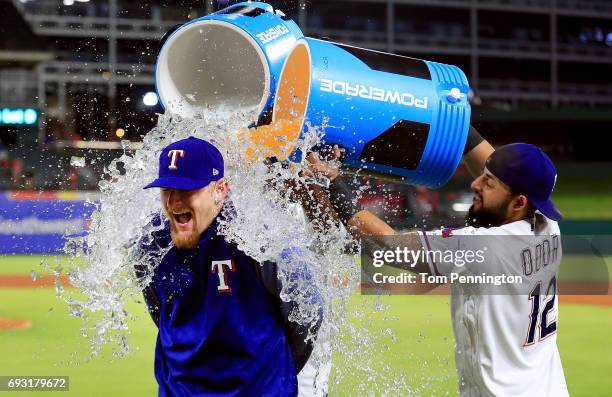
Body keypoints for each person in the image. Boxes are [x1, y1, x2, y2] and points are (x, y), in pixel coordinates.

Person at [308, 128, 569, 396]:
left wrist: (332, 179)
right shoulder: (546, 226)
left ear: (519, 202)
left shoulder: (483, 249)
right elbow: (497, 167)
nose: (475, 184)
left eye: (488, 183)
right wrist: (455, 120)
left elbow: (384, 243)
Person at [136, 136, 323, 397]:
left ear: (220, 190)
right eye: (167, 190)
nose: (174, 202)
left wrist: (273, 369)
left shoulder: (257, 234)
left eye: (188, 190)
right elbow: (160, 312)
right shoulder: (151, 241)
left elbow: (306, 311)